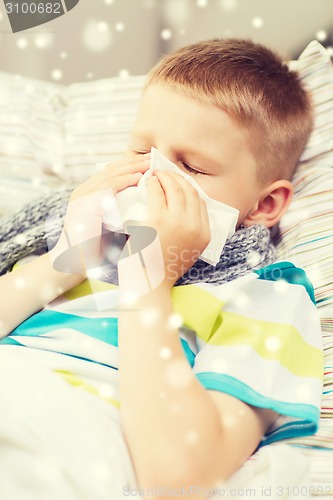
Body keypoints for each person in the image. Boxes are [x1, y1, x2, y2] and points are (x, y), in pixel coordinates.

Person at [0, 39, 323, 499]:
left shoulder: (268, 296)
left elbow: (176, 479)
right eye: (140, 152)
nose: (153, 177)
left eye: (191, 167)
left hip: (61, 431)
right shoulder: (80, 244)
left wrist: (149, 279)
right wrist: (67, 259)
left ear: (265, 204)